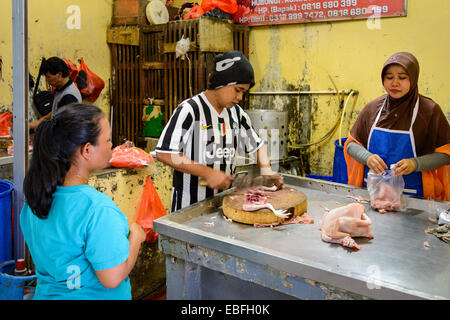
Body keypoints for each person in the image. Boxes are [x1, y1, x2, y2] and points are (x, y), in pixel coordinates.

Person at [20, 103, 146, 299]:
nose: (111, 145)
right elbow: (112, 278)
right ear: (87, 150)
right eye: (107, 140)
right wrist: (136, 238)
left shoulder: (34, 200)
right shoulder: (97, 209)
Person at [156, 50, 283, 212]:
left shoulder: (236, 113)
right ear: (221, 82)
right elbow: (165, 153)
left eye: (243, 92)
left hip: (224, 203)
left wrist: (266, 170)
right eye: (237, 90)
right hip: (188, 207)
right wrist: (208, 173)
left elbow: (257, 145)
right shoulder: (190, 110)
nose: (240, 97)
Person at [344, 52, 450, 200]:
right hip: (373, 195)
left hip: (415, 198)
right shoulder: (372, 108)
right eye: (389, 77)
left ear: (413, 78)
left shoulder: (429, 111)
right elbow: (351, 145)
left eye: (402, 77)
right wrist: (367, 157)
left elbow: (446, 155)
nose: (394, 83)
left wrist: (415, 163)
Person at [29, 57, 82, 130]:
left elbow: (61, 126)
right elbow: (55, 112)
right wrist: (36, 123)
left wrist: (40, 129)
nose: (47, 81)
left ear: (59, 74)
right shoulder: (60, 89)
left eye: (49, 77)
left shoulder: (69, 97)